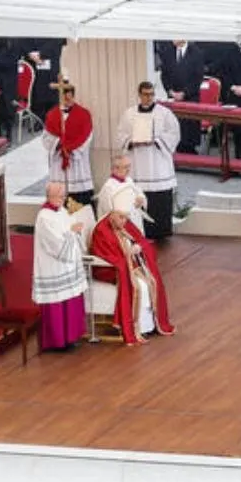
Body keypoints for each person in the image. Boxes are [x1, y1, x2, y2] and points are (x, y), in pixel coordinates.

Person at [89, 192, 177, 344]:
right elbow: (104, 254)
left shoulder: (125, 223)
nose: (124, 222)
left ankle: (149, 326)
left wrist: (138, 248)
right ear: (112, 214)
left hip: (131, 264)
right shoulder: (101, 230)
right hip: (110, 270)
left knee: (152, 281)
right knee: (141, 287)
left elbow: (142, 241)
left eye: (126, 217)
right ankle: (137, 327)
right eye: (121, 217)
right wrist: (127, 256)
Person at [113, 82, 181, 239]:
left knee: (159, 201)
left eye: (151, 94)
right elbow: (120, 134)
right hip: (137, 164)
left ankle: (161, 233)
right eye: (145, 94)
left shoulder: (164, 113)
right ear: (139, 94)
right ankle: (140, 232)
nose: (148, 97)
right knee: (139, 198)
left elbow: (174, 134)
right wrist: (131, 141)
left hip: (158, 165)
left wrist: (156, 140)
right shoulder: (129, 114)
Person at [32, 183, 88, 353]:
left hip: (67, 266)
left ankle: (70, 337)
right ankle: (56, 341)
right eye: (59, 196)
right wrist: (72, 232)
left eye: (63, 196)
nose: (62, 200)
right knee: (56, 303)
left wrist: (75, 230)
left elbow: (69, 228)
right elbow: (55, 244)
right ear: (49, 196)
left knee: (70, 300)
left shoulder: (61, 211)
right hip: (53, 266)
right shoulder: (44, 217)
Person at [42, 82, 95, 207]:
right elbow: (46, 138)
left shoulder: (83, 114)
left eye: (70, 96)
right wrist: (59, 144)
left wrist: (70, 148)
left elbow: (87, 136)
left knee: (80, 202)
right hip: (59, 162)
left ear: (73, 96)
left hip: (76, 162)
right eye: (65, 97)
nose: (67, 100)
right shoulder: (52, 115)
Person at [96, 155, 149, 233]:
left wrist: (141, 199)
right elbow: (108, 212)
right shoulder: (108, 187)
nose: (129, 170)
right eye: (126, 167)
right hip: (120, 227)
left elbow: (140, 193)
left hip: (135, 221)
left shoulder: (128, 180)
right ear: (115, 168)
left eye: (129, 166)